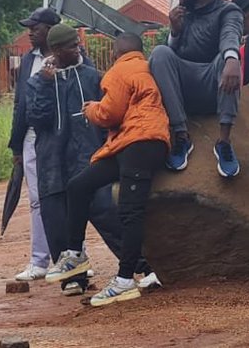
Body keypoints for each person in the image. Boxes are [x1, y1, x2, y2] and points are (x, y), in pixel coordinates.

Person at [45, 33, 169, 306]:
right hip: (134, 143)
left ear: (115, 53)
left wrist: (91, 109)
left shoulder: (118, 71)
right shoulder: (148, 67)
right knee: (79, 185)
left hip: (139, 143)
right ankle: (75, 255)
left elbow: (109, 114)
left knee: (129, 211)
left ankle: (124, 280)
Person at [26, 23, 127, 296]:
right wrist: (46, 85)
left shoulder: (93, 77)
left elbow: (108, 115)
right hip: (53, 164)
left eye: (77, 43)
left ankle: (139, 266)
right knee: (57, 221)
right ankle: (73, 278)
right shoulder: (38, 82)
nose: (78, 48)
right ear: (57, 50)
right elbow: (37, 118)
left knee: (107, 213)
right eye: (72, 45)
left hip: (89, 158)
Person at [149, 0, 244, 177]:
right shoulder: (183, 12)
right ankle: (182, 136)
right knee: (160, 53)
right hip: (185, 89)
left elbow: (230, 35)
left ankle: (224, 142)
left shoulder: (228, 11)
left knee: (228, 58)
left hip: (213, 85)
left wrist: (232, 59)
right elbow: (171, 57)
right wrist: (175, 31)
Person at [8, 7, 61, 282]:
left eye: (35, 28)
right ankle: (39, 261)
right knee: (37, 200)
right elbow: (20, 103)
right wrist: (16, 145)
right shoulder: (29, 59)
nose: (30, 33)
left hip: (59, 135)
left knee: (63, 197)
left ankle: (72, 257)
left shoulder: (70, 56)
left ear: (50, 30)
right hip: (31, 136)